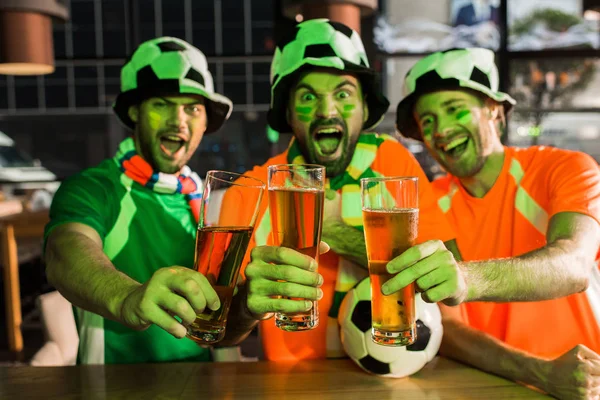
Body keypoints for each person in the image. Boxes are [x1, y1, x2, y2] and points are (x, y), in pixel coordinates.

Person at [221, 18, 466, 362]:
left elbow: (450, 279)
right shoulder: (249, 192)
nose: (327, 111)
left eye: (343, 94)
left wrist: (337, 233)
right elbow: (216, 336)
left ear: (365, 109)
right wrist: (247, 305)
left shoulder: (394, 165)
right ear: (288, 112)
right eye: (308, 96)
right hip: (290, 386)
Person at [395, 47, 600, 399]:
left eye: (454, 109)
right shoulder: (426, 204)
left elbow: (573, 264)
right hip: (491, 386)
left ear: (494, 109)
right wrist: (540, 372)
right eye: (427, 121)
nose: (441, 129)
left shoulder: (567, 169)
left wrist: (466, 278)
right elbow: (449, 329)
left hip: (587, 382)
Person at [43, 37, 253, 364]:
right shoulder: (95, 187)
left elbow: (227, 330)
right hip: (116, 388)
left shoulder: (213, 199)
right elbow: (64, 252)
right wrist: (129, 297)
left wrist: (251, 305)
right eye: (162, 104)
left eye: (192, 108)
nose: (178, 120)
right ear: (134, 111)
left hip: (210, 385)